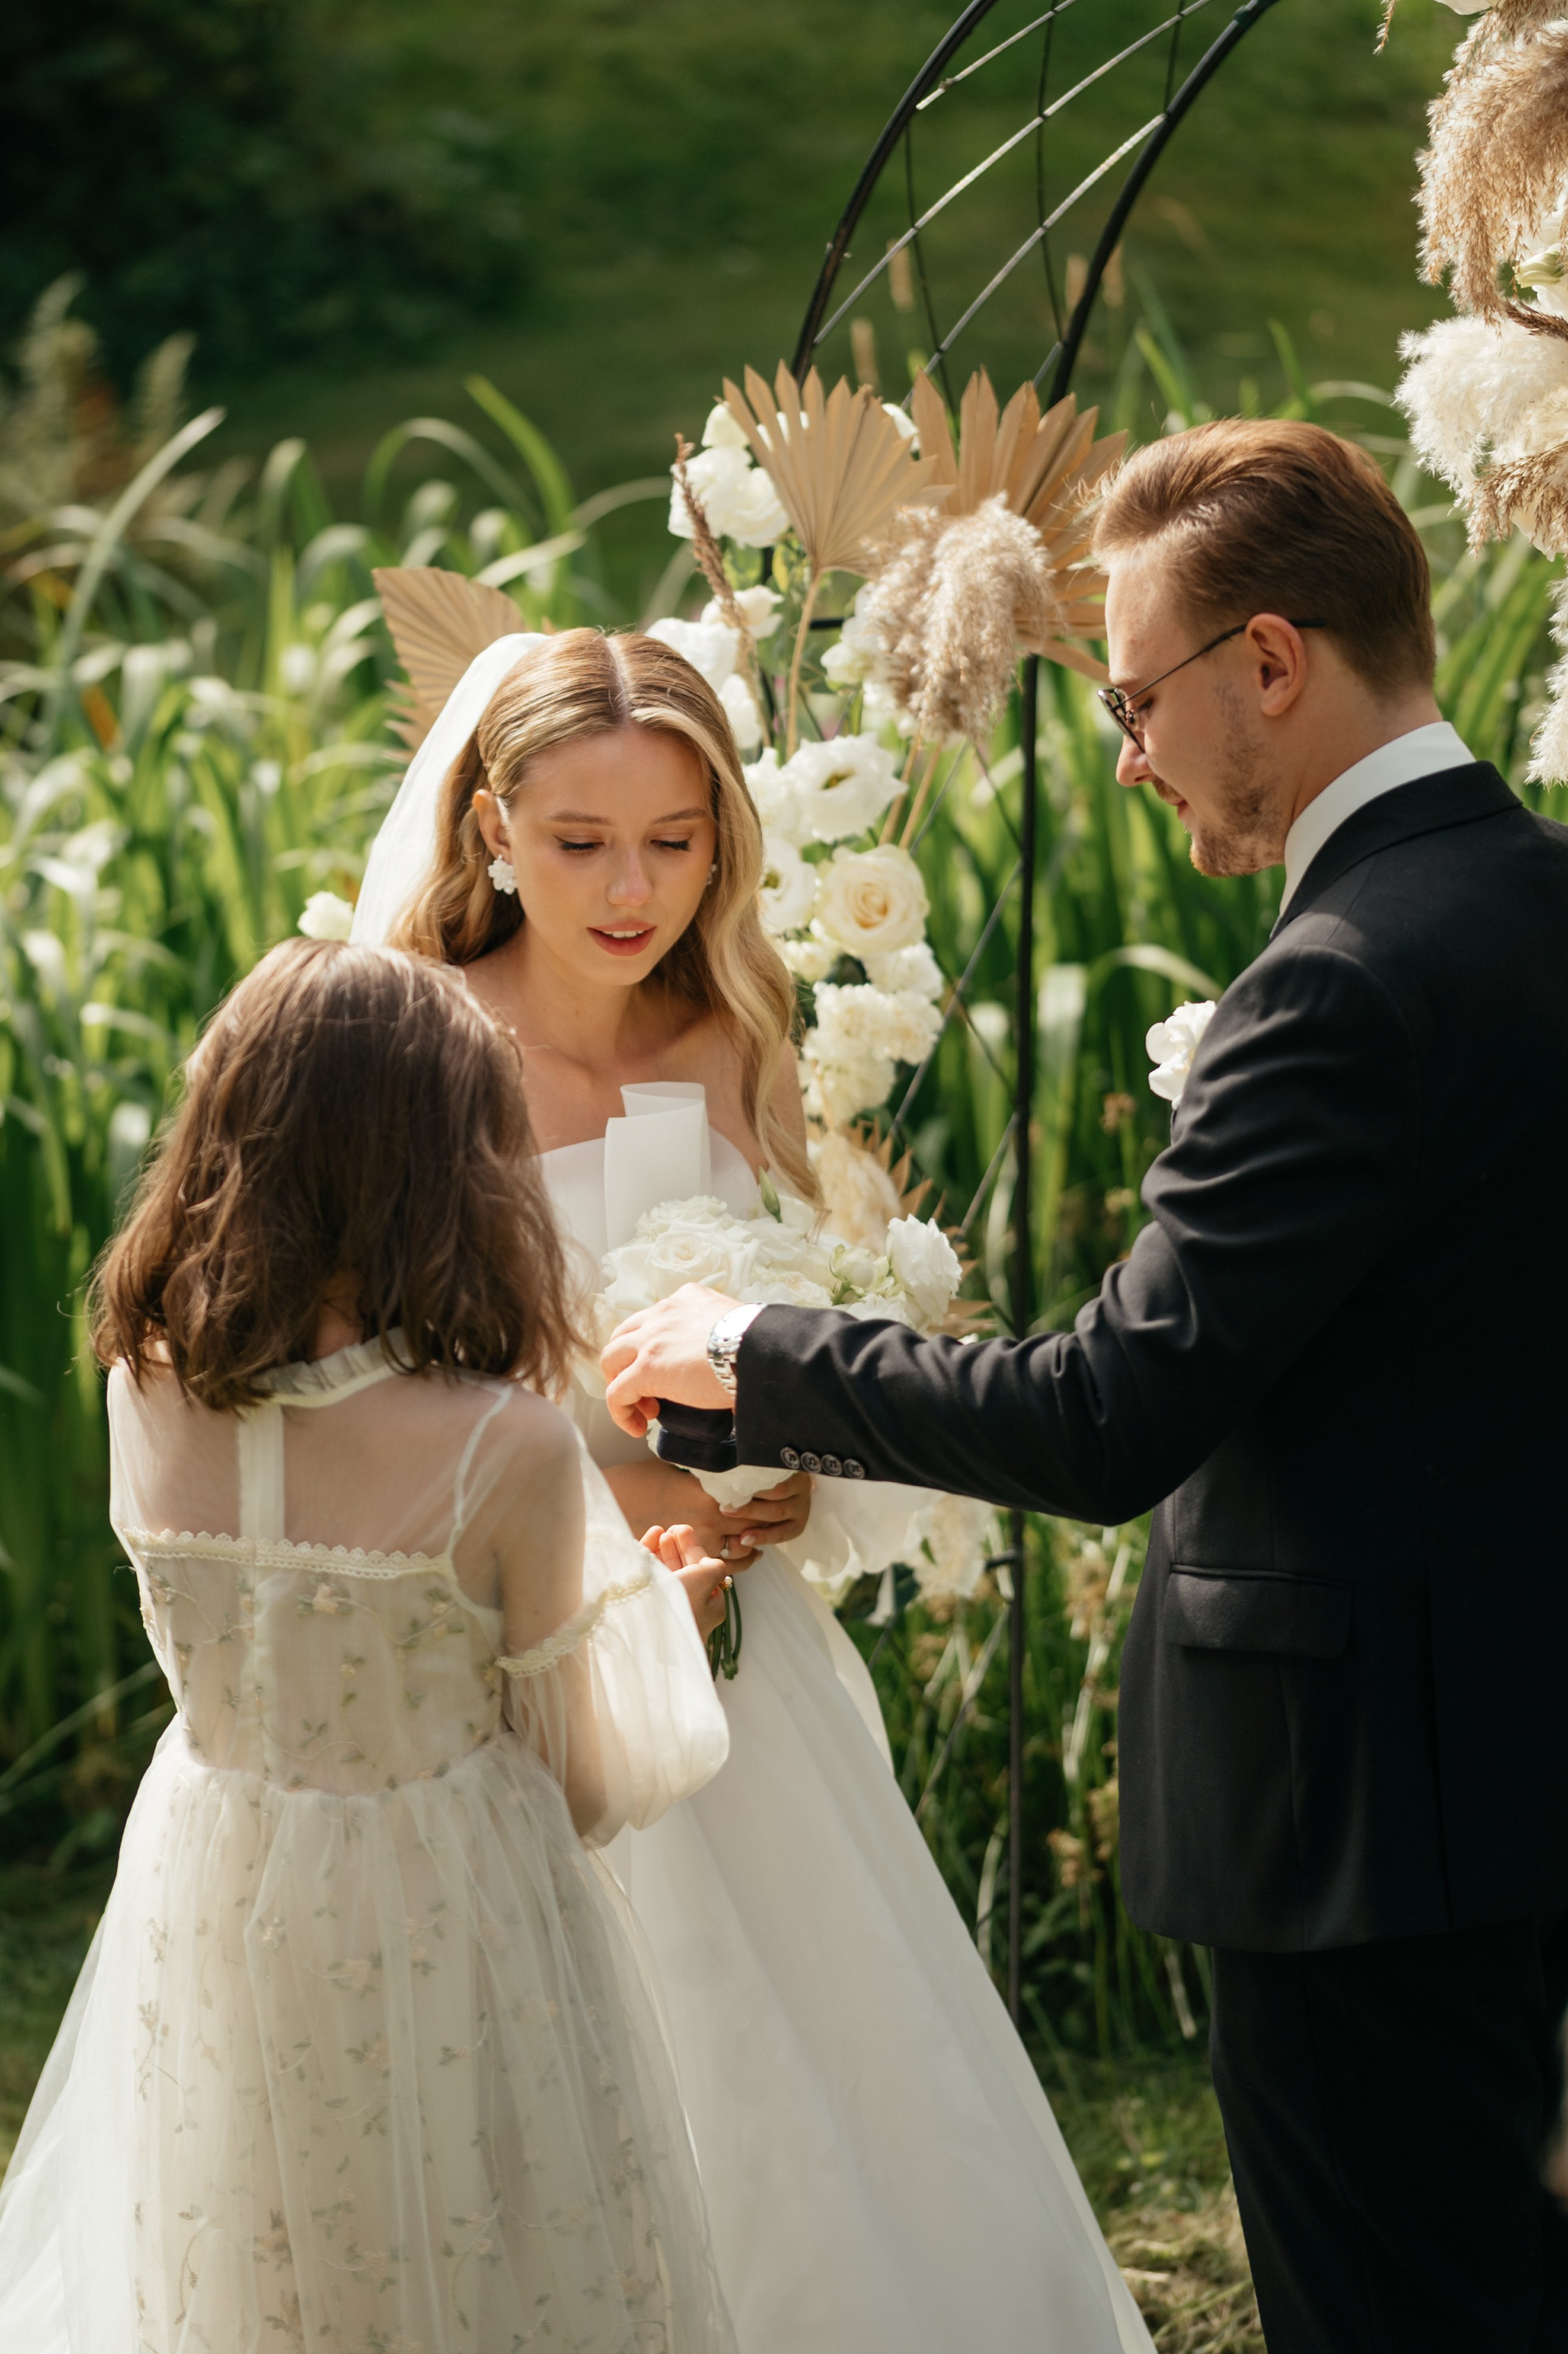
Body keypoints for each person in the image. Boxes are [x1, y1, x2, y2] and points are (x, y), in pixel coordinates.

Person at [601, 419, 1568, 2354]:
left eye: (1137, 696)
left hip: (1363, 1815)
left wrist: (760, 1358)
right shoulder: (1536, 902)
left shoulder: (1338, 983)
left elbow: (1108, 1414)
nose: (1125, 752)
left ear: (1271, 664)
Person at [352, 624, 1154, 2353]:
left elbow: (775, 1310)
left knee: (813, 2041)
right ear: (493, 826)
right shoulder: (412, 1056)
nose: (632, 886)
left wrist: (797, 1456)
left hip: (736, 1643)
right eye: (581, 842)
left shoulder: (724, 1038)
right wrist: (602, 1486)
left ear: (725, 836)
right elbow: (371, 1395)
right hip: (507, 1647)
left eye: (676, 837)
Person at [0, 939, 737, 2354]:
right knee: (472, 2251)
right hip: (446, 1909)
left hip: (212, 1874)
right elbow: (576, 1784)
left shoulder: (140, 1390)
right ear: (444, 1165)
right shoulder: (496, 1445)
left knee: (247, 2245)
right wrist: (668, 1619)